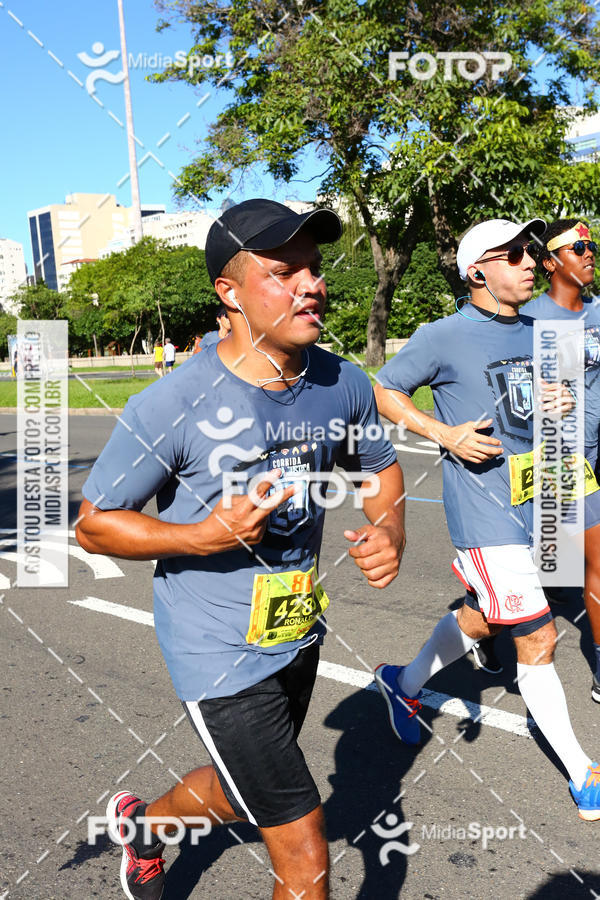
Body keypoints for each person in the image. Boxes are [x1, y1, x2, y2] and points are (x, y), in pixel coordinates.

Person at [75, 197, 407, 899]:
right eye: (283, 272)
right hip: (215, 648)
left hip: (294, 628)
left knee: (240, 792)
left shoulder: (340, 379)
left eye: (313, 269)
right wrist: (200, 534)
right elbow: (95, 524)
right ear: (229, 293)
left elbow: (378, 465)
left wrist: (390, 530)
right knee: (304, 851)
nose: (311, 284)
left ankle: (146, 827)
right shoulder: (172, 403)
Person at [373, 217, 600, 821]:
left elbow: (560, 393)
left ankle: (406, 681)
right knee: (538, 634)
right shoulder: (443, 335)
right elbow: (385, 389)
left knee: (486, 615)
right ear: (477, 272)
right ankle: (585, 773)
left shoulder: (542, 326)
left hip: (544, 501)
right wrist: (442, 431)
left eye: (532, 252)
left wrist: (562, 396)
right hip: (484, 514)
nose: (531, 262)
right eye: (514, 255)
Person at [520, 219, 600, 703]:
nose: (589, 252)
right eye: (578, 246)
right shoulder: (532, 321)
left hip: (598, 449)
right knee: (582, 563)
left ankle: (483, 613)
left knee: (552, 569)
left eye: (592, 245)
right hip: (559, 457)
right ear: (550, 262)